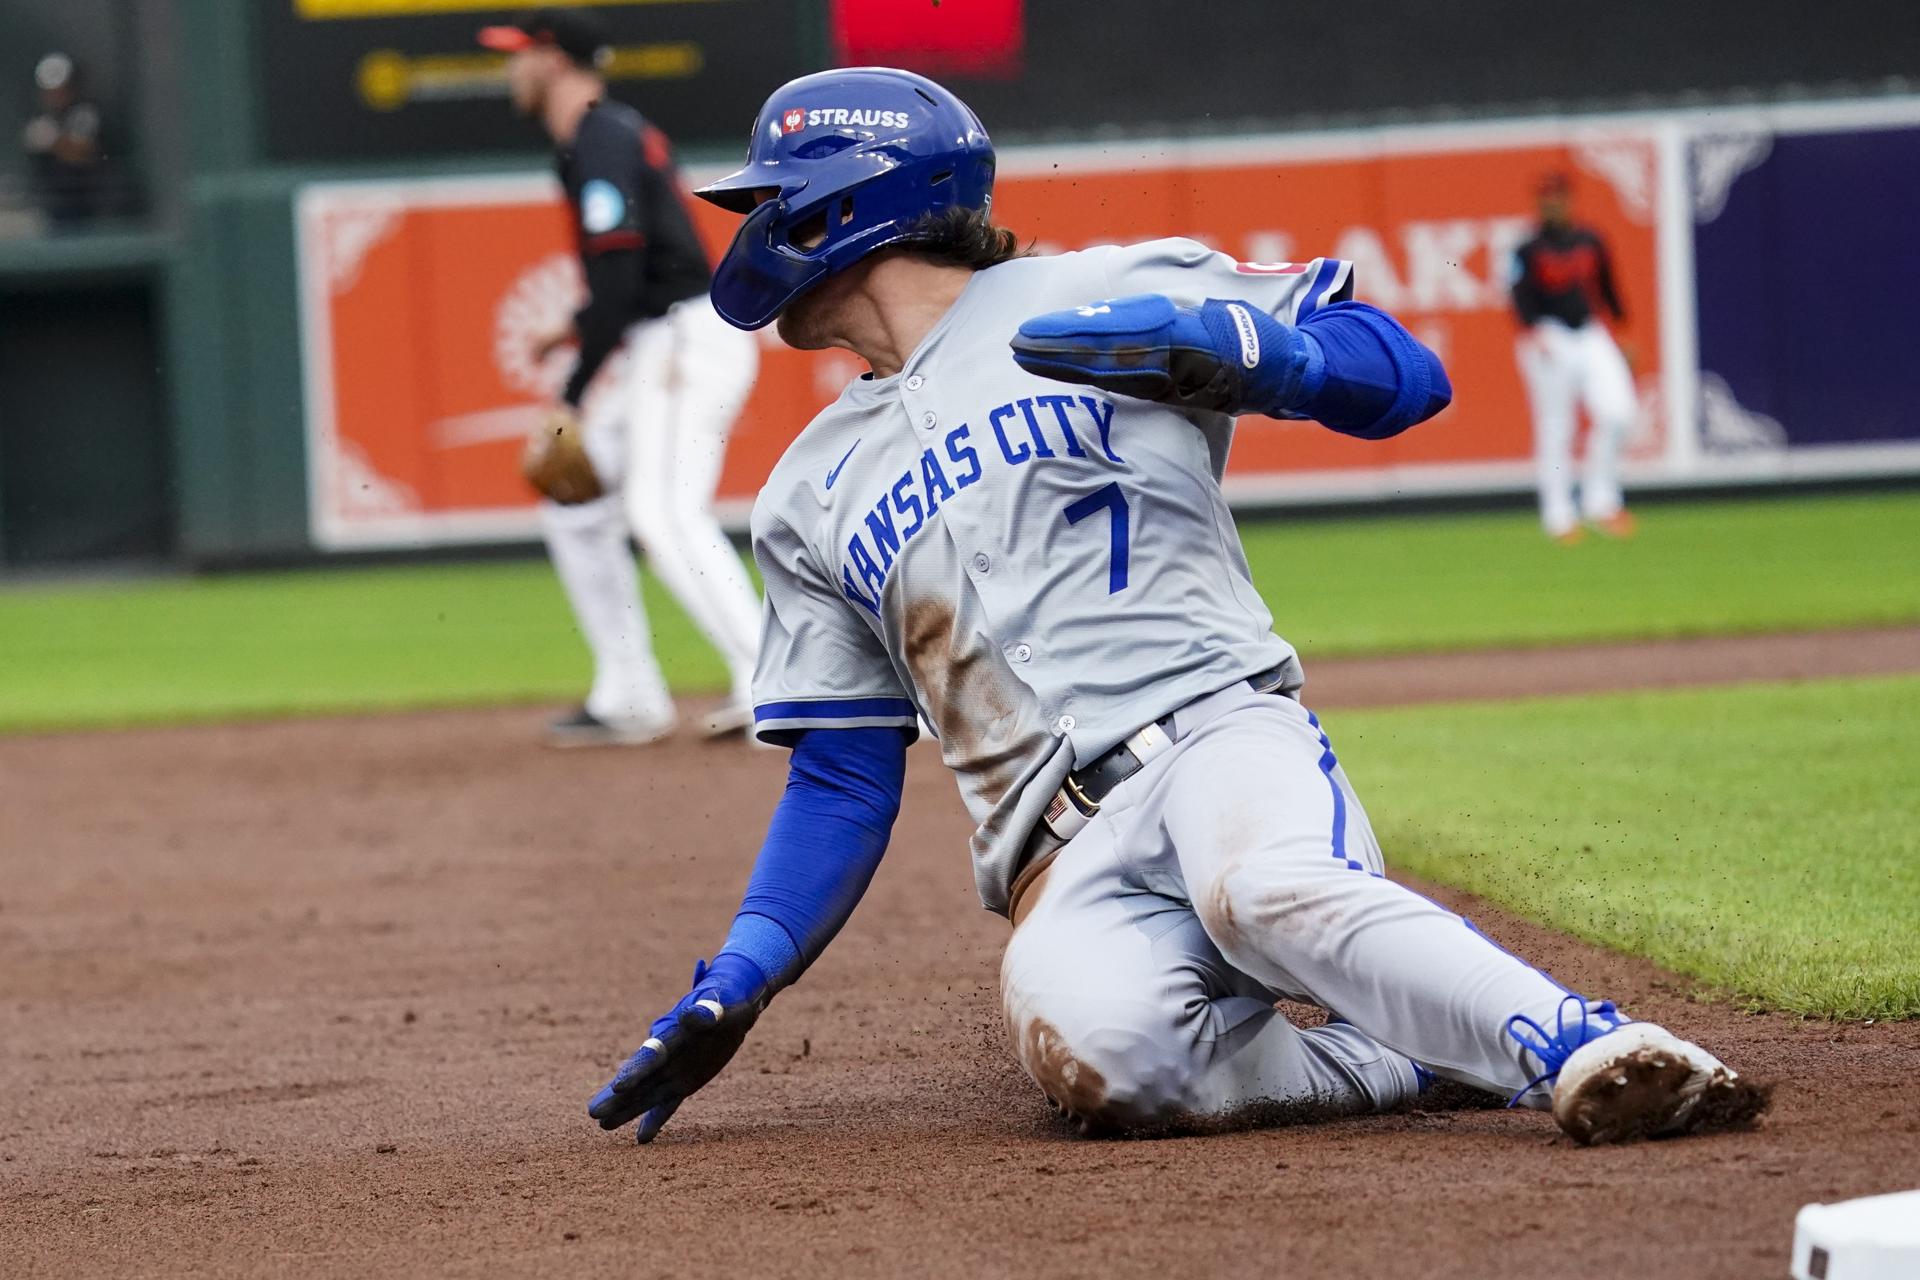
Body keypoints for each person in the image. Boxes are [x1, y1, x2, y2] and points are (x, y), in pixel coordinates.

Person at [586, 69, 1765, 1145]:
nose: (753, 226)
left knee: (1262, 887)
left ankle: (1594, 1044)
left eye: (773, 196)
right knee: (1104, 1059)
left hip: (1216, 736)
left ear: (848, 203)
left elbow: (1406, 373)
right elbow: (843, 775)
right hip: (1057, 852)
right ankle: (1398, 1055)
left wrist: (1263, 357)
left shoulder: (1100, 289)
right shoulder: (806, 488)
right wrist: (739, 975)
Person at [479, 9, 765, 745]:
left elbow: (625, 278)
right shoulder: (599, 136)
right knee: (574, 498)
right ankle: (630, 694)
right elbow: (627, 282)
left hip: (681, 340)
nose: (509, 69)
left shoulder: (600, 137)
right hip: (659, 335)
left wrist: (570, 394)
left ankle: (777, 685)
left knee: (664, 511)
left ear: (553, 59)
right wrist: (574, 327)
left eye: (518, 55)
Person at [1510, 173, 1639, 545]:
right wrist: (1534, 332)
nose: (1551, 204)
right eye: (1545, 197)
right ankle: (1558, 514)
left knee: (1618, 412)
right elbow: (1518, 295)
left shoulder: (1590, 239)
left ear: (1568, 200)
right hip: (1549, 335)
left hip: (1590, 332)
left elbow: (1609, 288)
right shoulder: (1527, 249)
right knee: (1556, 426)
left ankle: (1600, 501)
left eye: (1557, 197)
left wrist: (1624, 331)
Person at [20, 53, 105, 230]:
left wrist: (54, 142)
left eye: (61, 90)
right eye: (49, 91)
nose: (55, 96)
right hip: (51, 206)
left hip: (89, 207)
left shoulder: (86, 113)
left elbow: (81, 152)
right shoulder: (42, 120)